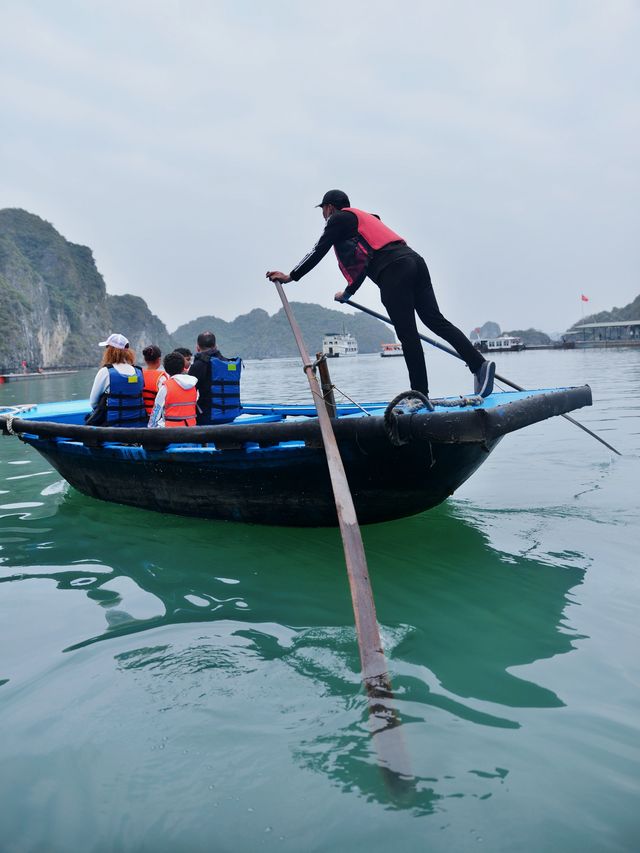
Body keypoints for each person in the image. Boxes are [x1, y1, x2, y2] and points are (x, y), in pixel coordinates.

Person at [266, 189, 495, 398]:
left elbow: (318, 249)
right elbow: (366, 262)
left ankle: (419, 395)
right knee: (436, 321)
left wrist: (291, 276)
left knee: (408, 335)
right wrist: (348, 293)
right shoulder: (364, 219)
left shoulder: (338, 219)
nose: (324, 216)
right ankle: (479, 365)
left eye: (323, 211)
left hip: (394, 271)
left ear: (329, 208)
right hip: (414, 261)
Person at [88, 333, 147, 427]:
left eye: (107, 347)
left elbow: (93, 403)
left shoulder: (105, 372)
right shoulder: (139, 372)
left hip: (113, 429)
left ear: (110, 351)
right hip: (138, 427)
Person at [188, 331, 242, 425]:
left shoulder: (198, 366)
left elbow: (187, 393)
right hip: (231, 416)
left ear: (197, 348)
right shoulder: (229, 364)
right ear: (216, 346)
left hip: (207, 417)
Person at [148, 351, 198, 428]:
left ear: (166, 369)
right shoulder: (193, 386)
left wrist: (150, 429)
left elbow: (156, 412)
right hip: (191, 430)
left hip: (171, 432)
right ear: (183, 367)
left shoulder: (166, 387)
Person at [141, 344, 168, 417]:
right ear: (159, 360)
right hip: (155, 417)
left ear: (145, 360)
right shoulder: (161, 378)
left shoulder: (139, 374)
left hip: (140, 415)